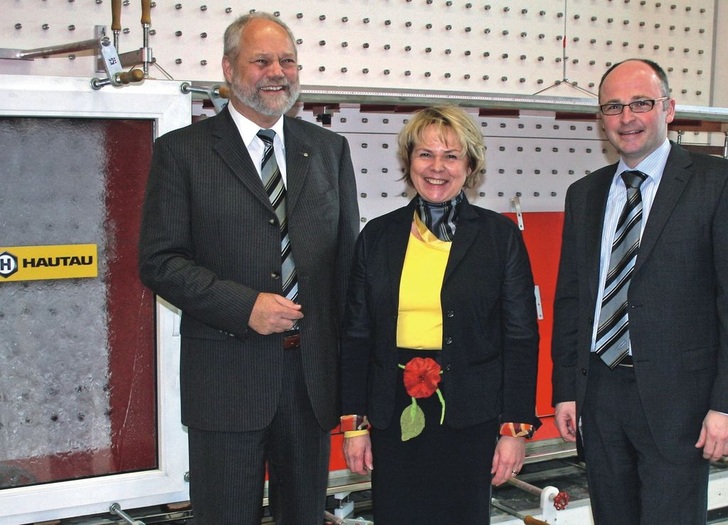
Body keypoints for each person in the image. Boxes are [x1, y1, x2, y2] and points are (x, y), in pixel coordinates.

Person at [138, 12, 359, 525]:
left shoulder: (329, 150)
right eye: (261, 60)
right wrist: (245, 307)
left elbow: (347, 268)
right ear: (229, 69)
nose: (277, 71)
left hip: (310, 381)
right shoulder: (182, 152)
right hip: (225, 380)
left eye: (287, 60)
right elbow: (159, 261)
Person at [339, 105, 540, 524]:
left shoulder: (499, 237)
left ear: (471, 165)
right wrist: (355, 425)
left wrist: (515, 430)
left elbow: (521, 338)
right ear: (408, 160)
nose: (437, 167)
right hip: (393, 413)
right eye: (425, 154)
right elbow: (356, 335)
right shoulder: (377, 235)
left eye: (451, 156)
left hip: (471, 415)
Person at [551, 58, 728, 525]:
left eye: (641, 103)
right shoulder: (584, 194)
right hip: (600, 394)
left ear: (668, 109)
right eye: (613, 106)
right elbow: (571, 299)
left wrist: (724, 405)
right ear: (601, 118)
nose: (626, 117)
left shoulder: (717, 181)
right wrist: (566, 388)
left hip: (680, 404)